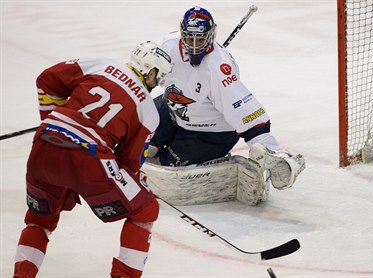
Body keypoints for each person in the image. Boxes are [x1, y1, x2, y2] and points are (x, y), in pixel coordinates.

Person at [12, 41, 172, 278]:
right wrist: (136, 182)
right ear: (150, 71)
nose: (158, 84)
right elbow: (128, 164)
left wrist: (53, 120)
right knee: (146, 209)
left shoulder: (100, 65)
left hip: (45, 141)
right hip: (89, 155)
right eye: (158, 77)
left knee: (38, 220)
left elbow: (46, 80)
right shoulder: (148, 110)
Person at [145, 6, 305, 205]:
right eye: (189, 39)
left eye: (200, 40)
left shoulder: (220, 71)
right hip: (174, 107)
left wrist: (272, 150)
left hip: (208, 134)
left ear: (211, 36)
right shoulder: (169, 43)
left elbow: (250, 117)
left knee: (166, 166)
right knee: (144, 136)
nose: (194, 46)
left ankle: (226, 165)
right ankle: (158, 140)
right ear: (182, 34)